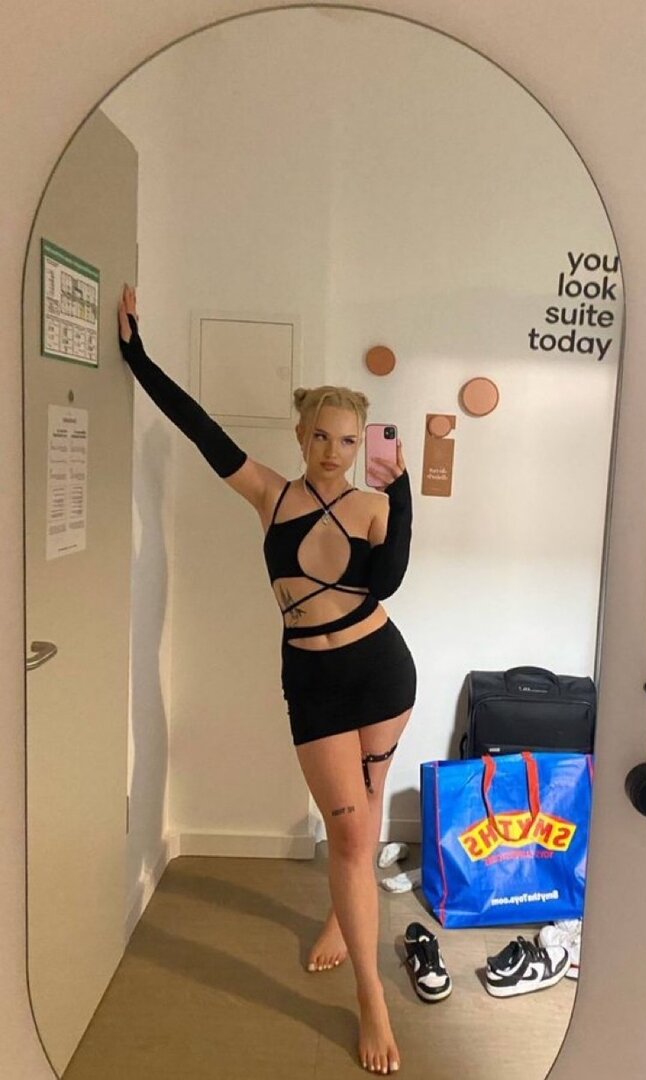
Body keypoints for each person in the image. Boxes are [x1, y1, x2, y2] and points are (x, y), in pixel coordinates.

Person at [117, 284, 414, 1075]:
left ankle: (346, 928)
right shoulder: (269, 494)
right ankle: (371, 996)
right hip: (313, 680)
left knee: (362, 821)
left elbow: (387, 582)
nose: (332, 451)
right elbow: (201, 428)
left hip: (382, 671)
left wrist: (402, 490)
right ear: (300, 433)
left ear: (359, 444)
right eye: (320, 435)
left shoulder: (375, 506)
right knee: (349, 831)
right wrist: (137, 357)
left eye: (346, 440)